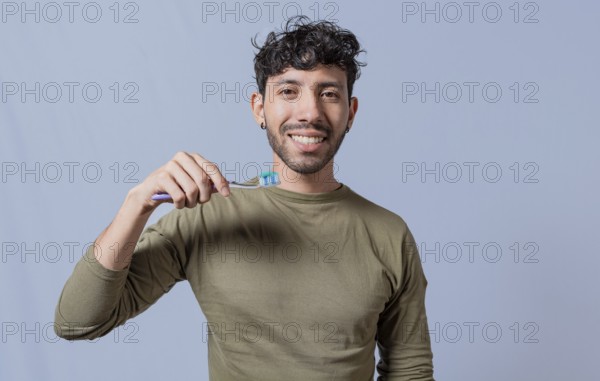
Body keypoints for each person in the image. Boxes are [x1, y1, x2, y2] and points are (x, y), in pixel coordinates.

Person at [54, 16, 435, 380]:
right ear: (259, 108)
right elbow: (78, 321)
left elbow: (410, 370)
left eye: (329, 93)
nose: (310, 111)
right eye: (288, 91)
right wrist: (136, 204)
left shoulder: (389, 234)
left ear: (350, 113)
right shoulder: (206, 217)